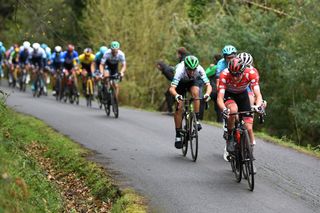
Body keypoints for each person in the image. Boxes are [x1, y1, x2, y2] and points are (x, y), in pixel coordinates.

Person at [217, 57, 265, 169]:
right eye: (233, 74)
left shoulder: (251, 73)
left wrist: (258, 106)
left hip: (243, 95)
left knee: (248, 127)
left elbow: (258, 94)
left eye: (238, 74)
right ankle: (230, 136)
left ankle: (249, 155)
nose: (235, 77)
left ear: (243, 71)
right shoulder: (224, 74)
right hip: (229, 95)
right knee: (233, 110)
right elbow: (219, 98)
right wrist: (224, 109)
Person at [169, 55, 212, 149]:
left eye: (194, 70)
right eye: (189, 70)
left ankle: (196, 119)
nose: (192, 72)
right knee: (179, 106)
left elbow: (208, 85)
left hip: (192, 82)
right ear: (185, 67)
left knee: (196, 94)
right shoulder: (180, 70)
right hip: (180, 83)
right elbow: (172, 89)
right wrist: (177, 95)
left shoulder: (200, 69)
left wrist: (207, 94)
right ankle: (178, 135)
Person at [205, 54, 223, 122]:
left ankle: (199, 117)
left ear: (215, 59)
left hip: (213, 90)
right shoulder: (225, 67)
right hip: (221, 90)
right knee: (219, 107)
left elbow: (206, 74)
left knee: (203, 101)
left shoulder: (215, 67)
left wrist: (210, 68)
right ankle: (220, 122)